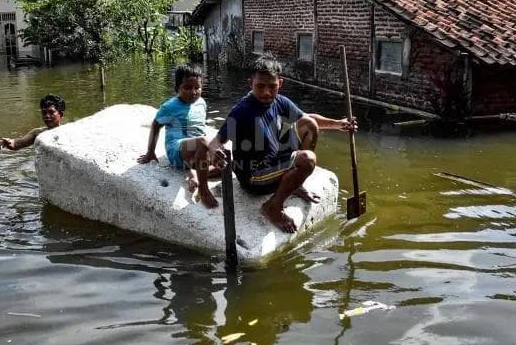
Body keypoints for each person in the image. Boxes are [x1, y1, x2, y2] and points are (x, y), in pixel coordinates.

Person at [208, 54, 356, 232]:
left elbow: (307, 119)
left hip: (275, 161)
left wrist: (338, 124)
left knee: (309, 124)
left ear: (280, 83)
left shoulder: (280, 101)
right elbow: (217, 140)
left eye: (272, 86)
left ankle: (295, 184)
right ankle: (273, 206)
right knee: (307, 159)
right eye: (260, 86)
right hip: (255, 177)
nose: (266, 92)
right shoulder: (242, 111)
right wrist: (215, 152)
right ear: (250, 83)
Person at [138, 65, 218, 208]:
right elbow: (156, 125)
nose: (193, 92)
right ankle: (204, 190)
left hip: (197, 152)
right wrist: (150, 152)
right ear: (177, 88)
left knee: (227, 160)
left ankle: (194, 173)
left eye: (197, 87)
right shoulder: (170, 107)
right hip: (177, 149)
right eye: (187, 88)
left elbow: (199, 128)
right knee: (203, 141)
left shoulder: (202, 103)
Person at [0, 94, 66, 151]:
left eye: (51, 112)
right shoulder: (37, 133)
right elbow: (17, 144)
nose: (47, 116)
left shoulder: (67, 133)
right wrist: (9, 142)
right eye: (44, 112)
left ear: (61, 114)